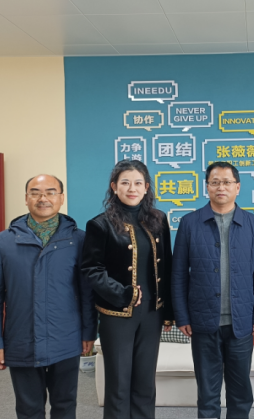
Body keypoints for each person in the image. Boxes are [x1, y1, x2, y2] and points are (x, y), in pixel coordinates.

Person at [0, 174, 97, 419]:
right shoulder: (3, 242)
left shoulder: (79, 240)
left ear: (61, 198)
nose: (43, 198)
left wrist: (88, 332)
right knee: (28, 409)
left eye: (50, 192)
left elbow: (87, 293)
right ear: (26, 198)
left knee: (65, 405)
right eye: (35, 193)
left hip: (66, 338)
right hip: (21, 339)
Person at [171, 161, 254, 419]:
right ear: (207, 187)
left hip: (242, 323)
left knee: (240, 394)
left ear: (237, 187)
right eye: (215, 182)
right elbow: (178, 275)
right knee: (207, 394)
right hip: (203, 322)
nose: (221, 187)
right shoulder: (190, 223)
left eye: (227, 182)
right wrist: (182, 316)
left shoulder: (252, 224)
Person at [81, 160, 174, 419]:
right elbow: (91, 269)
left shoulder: (158, 219)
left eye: (137, 183)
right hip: (117, 314)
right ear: (114, 187)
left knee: (145, 383)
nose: (132, 188)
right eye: (125, 182)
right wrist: (124, 293)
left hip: (152, 313)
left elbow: (167, 264)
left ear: (146, 187)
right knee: (119, 385)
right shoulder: (100, 224)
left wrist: (169, 312)